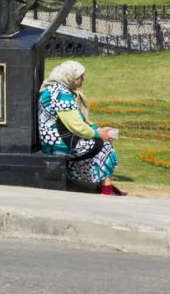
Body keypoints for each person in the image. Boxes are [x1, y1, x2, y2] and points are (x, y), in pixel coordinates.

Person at [37, 59, 124, 194]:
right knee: (103, 145)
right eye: (80, 77)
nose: (83, 79)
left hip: (55, 139)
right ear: (70, 77)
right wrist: (98, 134)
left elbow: (77, 121)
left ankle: (104, 185)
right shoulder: (61, 94)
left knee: (100, 141)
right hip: (58, 143)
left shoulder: (53, 89)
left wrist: (98, 129)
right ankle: (106, 188)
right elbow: (76, 126)